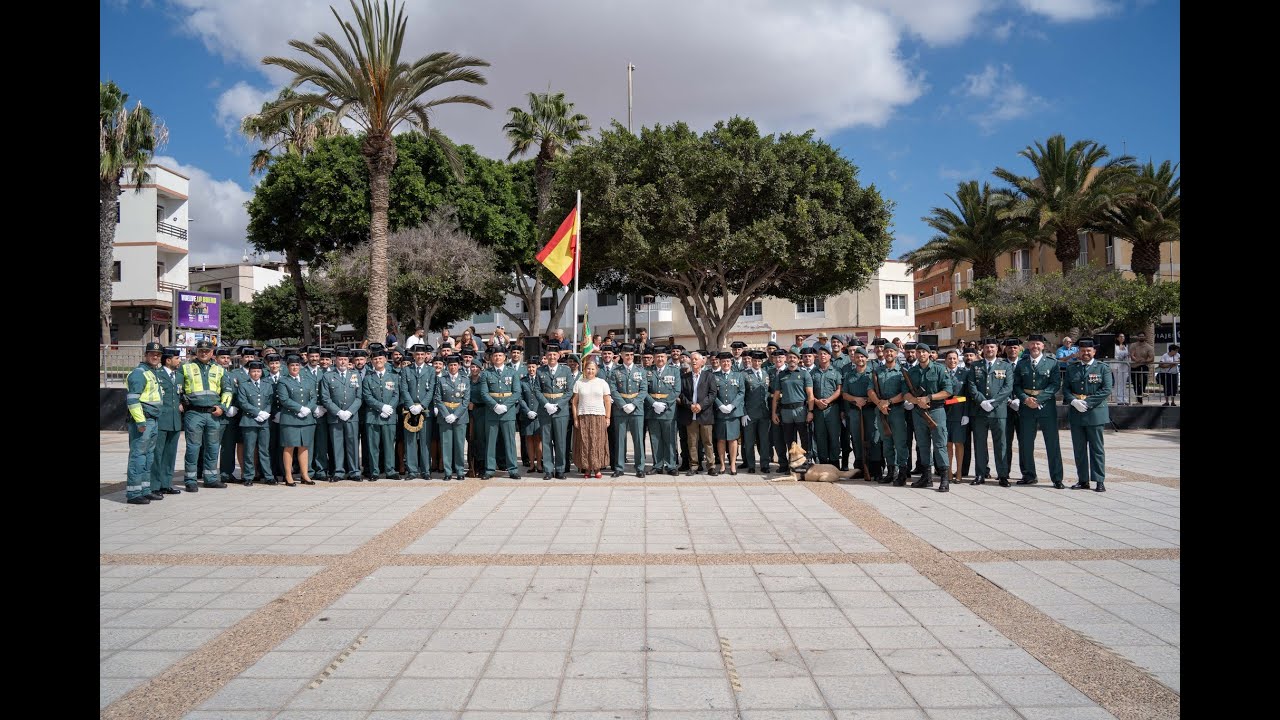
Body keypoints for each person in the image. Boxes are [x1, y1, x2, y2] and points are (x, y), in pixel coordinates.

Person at [1013, 334, 1065, 488]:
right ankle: (1029, 475)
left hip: (1046, 407)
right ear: (1028, 345)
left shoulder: (1052, 363)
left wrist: (1039, 399)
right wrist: (1025, 399)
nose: (1035, 346)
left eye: (1038, 344)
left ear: (1043, 346)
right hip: (1027, 407)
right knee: (1026, 443)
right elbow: (1016, 385)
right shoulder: (1021, 364)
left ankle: (1057, 478)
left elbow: (1055, 384)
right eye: (1032, 344)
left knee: (1052, 443)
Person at [181, 339, 231, 491]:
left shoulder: (219, 369)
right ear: (196, 352)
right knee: (193, 448)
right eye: (201, 351)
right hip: (193, 413)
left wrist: (223, 407)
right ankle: (190, 480)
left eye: (207, 351)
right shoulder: (186, 368)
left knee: (213, 447)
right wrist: (181, 402)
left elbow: (228, 391)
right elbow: (178, 388)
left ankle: (211, 479)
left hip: (213, 414)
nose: (204, 353)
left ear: (212, 353)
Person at [903, 343, 953, 491]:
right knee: (922, 444)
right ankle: (926, 477)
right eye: (918, 352)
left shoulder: (939, 369)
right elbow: (905, 392)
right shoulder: (912, 372)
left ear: (929, 353)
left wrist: (929, 397)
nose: (921, 354)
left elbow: (948, 391)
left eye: (924, 352)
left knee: (940, 444)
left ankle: (944, 478)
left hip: (936, 410)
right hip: (918, 412)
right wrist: (916, 400)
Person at [1065, 339, 1112, 492]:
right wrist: (1073, 401)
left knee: (1096, 448)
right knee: (1079, 449)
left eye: (1088, 351)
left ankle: (1099, 480)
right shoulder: (1072, 368)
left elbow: (1106, 389)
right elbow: (1065, 389)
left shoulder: (1103, 368)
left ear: (1094, 352)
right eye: (1082, 351)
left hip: (1095, 413)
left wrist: (1087, 402)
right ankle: (1083, 480)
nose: (1085, 353)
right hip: (1076, 413)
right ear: (1078, 352)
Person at [968, 338, 1015, 487]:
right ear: (983, 349)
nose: (989, 350)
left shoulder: (1005, 366)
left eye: (992, 347)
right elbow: (971, 385)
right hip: (980, 410)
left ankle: (1003, 475)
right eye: (987, 347)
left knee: (1001, 444)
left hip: (999, 411)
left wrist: (993, 403)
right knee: (979, 444)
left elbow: (1008, 387)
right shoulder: (975, 365)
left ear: (997, 349)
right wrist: (982, 401)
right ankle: (980, 474)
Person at [125, 342, 166, 505]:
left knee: (148, 456)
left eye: (158, 354)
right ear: (146, 355)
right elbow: (132, 400)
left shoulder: (152, 372)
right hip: (143, 420)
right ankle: (134, 493)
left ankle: (145, 490)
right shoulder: (139, 373)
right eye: (152, 354)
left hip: (152, 419)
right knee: (138, 455)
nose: (155, 356)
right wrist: (140, 421)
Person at [868, 345, 910, 486]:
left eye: (891, 351)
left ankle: (902, 473)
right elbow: (870, 390)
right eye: (886, 351)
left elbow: (905, 393)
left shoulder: (902, 372)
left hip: (897, 411)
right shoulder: (877, 371)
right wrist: (880, 404)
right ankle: (891, 472)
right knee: (886, 443)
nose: (888, 353)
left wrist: (889, 402)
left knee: (900, 443)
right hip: (881, 411)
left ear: (896, 353)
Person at [275, 354, 318, 486]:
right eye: (292, 365)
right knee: (289, 447)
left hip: (306, 419)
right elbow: (284, 399)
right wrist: (300, 408)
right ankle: (288, 475)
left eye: (297, 365)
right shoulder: (283, 381)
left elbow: (313, 398)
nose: (295, 367)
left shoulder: (308, 380)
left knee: (304, 447)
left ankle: (305, 475)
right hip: (290, 419)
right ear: (287, 367)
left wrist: (308, 408)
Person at [480, 347, 522, 479]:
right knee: (490, 442)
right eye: (495, 355)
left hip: (507, 412)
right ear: (492, 358)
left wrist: (505, 406)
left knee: (510, 441)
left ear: (505, 357)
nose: (497, 358)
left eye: (500, 355)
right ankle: (489, 469)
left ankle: (513, 469)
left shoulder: (512, 372)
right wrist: (495, 405)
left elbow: (517, 392)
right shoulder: (486, 373)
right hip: (492, 412)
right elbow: (484, 393)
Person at [841, 346, 882, 481]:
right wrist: (856, 399)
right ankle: (860, 467)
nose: (860, 359)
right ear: (854, 359)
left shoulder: (873, 374)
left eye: (862, 357)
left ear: (866, 358)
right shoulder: (849, 375)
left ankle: (875, 468)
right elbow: (844, 394)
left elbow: (877, 392)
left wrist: (867, 400)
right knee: (857, 439)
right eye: (857, 357)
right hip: (855, 411)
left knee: (873, 438)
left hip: (870, 410)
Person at [321, 348, 362, 481]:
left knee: (353, 444)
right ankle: (339, 471)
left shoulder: (355, 375)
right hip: (335, 417)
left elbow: (359, 397)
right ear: (335, 360)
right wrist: (338, 412)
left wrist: (349, 411)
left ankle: (354, 471)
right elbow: (325, 398)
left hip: (351, 416)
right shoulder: (328, 376)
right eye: (340, 359)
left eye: (345, 359)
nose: (343, 362)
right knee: (337, 445)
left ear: (348, 360)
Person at [608, 344, 649, 477]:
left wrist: (634, 404)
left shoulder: (640, 370)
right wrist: (622, 405)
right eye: (626, 355)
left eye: (631, 355)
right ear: (621, 355)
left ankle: (640, 468)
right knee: (620, 439)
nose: (629, 357)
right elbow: (613, 389)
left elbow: (644, 390)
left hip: (636, 409)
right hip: (620, 409)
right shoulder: (615, 371)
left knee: (638, 439)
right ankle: (619, 467)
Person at [533, 347, 574, 479]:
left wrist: (558, 405)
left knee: (560, 440)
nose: (552, 357)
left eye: (554, 354)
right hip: (545, 410)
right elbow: (537, 390)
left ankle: (560, 469)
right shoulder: (540, 371)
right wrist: (546, 404)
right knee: (546, 441)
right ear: (546, 355)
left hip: (560, 410)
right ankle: (548, 470)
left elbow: (569, 391)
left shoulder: (566, 370)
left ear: (558, 356)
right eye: (549, 354)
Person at [772, 347, 815, 473]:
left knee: (805, 439)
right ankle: (792, 466)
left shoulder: (804, 374)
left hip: (801, 410)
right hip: (786, 412)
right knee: (789, 441)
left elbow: (810, 395)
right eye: (790, 357)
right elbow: (776, 396)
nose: (792, 359)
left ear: (798, 359)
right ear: (786, 359)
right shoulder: (781, 375)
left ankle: (806, 464)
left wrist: (810, 411)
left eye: (794, 357)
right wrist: (774, 413)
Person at [361, 349, 401, 480]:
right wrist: (381, 407)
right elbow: (367, 396)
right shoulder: (368, 378)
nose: (378, 361)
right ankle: (374, 471)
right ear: (372, 362)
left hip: (389, 416)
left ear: (385, 360)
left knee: (389, 445)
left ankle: (390, 470)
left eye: (380, 358)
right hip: (373, 417)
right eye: (375, 359)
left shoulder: (393, 376)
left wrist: (389, 408)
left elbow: (396, 395)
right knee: (373, 446)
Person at [150, 346, 184, 495]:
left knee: (170, 454)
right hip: (161, 420)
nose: (179, 361)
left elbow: (180, 395)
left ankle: (166, 483)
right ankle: (154, 486)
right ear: (168, 360)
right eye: (177, 358)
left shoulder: (179, 376)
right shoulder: (157, 375)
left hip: (175, 420)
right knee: (157, 454)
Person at [400, 344, 437, 480]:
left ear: (426, 355)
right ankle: (412, 471)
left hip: (424, 410)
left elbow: (431, 390)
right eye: (417, 354)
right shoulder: (406, 370)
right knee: (410, 441)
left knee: (425, 441)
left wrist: (421, 405)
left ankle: (426, 470)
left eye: (422, 354)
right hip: (410, 411)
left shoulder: (431, 370)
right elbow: (404, 389)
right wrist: (411, 405)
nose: (420, 356)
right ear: (413, 356)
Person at [235, 359, 275, 486]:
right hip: (249, 421)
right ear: (249, 372)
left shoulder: (267, 385)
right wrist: (257, 413)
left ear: (261, 372)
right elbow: (243, 402)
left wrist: (265, 413)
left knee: (264, 450)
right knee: (249, 450)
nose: (256, 374)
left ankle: (268, 476)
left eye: (258, 371)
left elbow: (270, 401)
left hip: (264, 422)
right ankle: (248, 476)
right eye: (253, 371)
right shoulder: (244, 385)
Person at [572, 360, 612, 478]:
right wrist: (575, 419)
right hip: (583, 416)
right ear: (584, 370)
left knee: (598, 442)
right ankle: (587, 468)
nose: (590, 371)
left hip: (598, 416)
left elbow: (607, 401)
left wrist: (608, 417)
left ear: (596, 370)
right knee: (585, 442)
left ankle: (597, 468)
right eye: (588, 369)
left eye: (593, 369)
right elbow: (574, 402)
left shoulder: (602, 383)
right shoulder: (579, 383)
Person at [680, 351, 717, 474]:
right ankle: (694, 466)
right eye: (692, 359)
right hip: (690, 414)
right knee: (692, 442)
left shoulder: (709, 376)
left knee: (708, 442)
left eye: (696, 359)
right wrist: (690, 405)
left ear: (702, 362)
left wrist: (701, 405)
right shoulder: (685, 377)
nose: (694, 361)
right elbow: (681, 394)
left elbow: (712, 394)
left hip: (705, 414)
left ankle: (711, 466)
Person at [435, 354, 470, 481]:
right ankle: (448, 472)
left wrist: (455, 415)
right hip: (445, 416)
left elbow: (466, 401)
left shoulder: (465, 379)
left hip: (460, 417)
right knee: (446, 444)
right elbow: (438, 399)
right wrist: (446, 415)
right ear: (447, 366)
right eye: (450, 365)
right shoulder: (441, 380)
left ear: (459, 366)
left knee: (459, 445)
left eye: (455, 365)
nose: (453, 367)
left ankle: (460, 471)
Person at [710, 351, 745, 475]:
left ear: (731, 363)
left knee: (733, 439)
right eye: (723, 361)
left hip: (733, 413)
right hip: (720, 413)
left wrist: (732, 405)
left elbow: (741, 392)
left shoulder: (738, 375)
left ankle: (733, 464)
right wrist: (720, 405)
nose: (726, 363)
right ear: (720, 363)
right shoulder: (714, 376)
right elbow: (712, 393)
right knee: (721, 439)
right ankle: (722, 465)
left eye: (728, 361)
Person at [809, 347, 843, 466]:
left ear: (829, 356)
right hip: (818, 410)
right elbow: (809, 391)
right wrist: (816, 401)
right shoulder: (813, 372)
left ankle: (834, 463)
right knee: (820, 437)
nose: (822, 356)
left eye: (825, 353)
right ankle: (823, 463)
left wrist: (828, 400)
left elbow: (839, 390)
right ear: (817, 357)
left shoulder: (836, 371)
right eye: (820, 354)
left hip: (832, 409)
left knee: (834, 437)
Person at [941, 350, 970, 486]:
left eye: (954, 358)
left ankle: (959, 473)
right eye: (949, 358)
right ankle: (948, 473)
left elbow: (967, 396)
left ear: (958, 360)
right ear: (945, 360)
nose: (952, 361)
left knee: (959, 443)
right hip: (944, 413)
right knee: (947, 444)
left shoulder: (965, 373)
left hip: (959, 414)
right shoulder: (941, 373)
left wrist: (966, 413)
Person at [741, 350, 773, 474]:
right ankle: (751, 465)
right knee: (749, 441)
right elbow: (741, 395)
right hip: (750, 414)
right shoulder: (744, 375)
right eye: (754, 360)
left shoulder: (765, 373)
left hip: (764, 413)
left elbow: (768, 392)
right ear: (751, 361)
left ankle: (765, 464)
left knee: (764, 441)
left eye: (759, 361)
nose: (757, 363)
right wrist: (744, 413)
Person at [519, 358, 545, 473]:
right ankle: (531, 464)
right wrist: (527, 411)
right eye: (529, 367)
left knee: (538, 440)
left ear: (537, 367)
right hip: (527, 414)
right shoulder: (522, 381)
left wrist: (539, 410)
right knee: (529, 439)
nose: (531, 369)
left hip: (539, 414)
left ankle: (539, 464)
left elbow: (544, 396)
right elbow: (520, 397)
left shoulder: (542, 380)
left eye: (533, 367)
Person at [1128, 332, 1156, 405]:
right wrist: (1136, 359)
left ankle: (1141, 393)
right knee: (1135, 383)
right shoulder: (1133, 345)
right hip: (1134, 366)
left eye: (1142, 336)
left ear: (1145, 337)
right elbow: (1132, 355)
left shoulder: (1149, 347)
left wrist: (1145, 361)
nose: (1141, 337)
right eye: (1140, 336)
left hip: (1143, 366)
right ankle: (1139, 400)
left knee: (1143, 381)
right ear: (1137, 337)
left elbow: (1151, 358)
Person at [1111, 332, 1131, 405]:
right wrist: (1121, 356)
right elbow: (1114, 356)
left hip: (1124, 366)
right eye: (1120, 336)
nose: (1122, 338)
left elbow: (1128, 356)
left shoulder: (1126, 346)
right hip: (1116, 366)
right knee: (1118, 383)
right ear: (1117, 338)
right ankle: (1119, 400)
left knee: (1124, 383)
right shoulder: (1114, 346)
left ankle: (1124, 399)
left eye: (1123, 337)